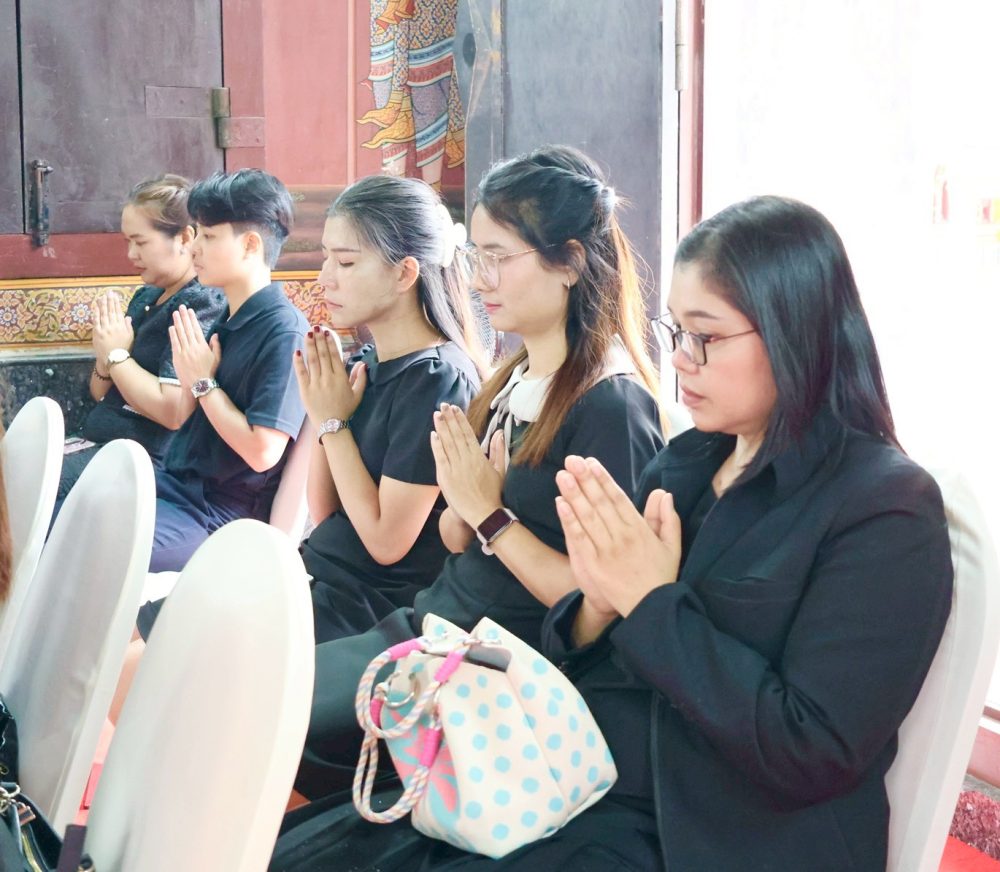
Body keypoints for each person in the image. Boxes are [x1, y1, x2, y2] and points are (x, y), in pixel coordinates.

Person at [541, 196, 954, 870]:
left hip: (723, 839)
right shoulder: (686, 461)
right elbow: (588, 649)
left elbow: (811, 750)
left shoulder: (886, 509)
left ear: (795, 331)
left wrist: (649, 602)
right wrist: (599, 604)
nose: (681, 360)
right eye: (675, 331)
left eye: (705, 336)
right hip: (593, 791)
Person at [282, 144, 666, 806]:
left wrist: (490, 515)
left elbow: (599, 604)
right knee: (261, 697)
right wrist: (467, 514)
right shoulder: (512, 380)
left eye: (498, 257)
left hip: (496, 670)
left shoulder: (610, 405)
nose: (480, 279)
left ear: (570, 262)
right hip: (434, 626)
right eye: (475, 256)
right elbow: (458, 541)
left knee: (269, 721)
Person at [296, 175, 486, 643]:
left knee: (163, 657)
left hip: (369, 607)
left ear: (404, 274)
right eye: (326, 257)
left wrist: (334, 424)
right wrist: (324, 415)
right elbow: (326, 512)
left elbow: (385, 543)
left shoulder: (437, 380)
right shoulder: (367, 362)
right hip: (321, 576)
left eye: (345, 262)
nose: (325, 277)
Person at [139, 168, 308, 587]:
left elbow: (263, 452)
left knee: (93, 546)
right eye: (196, 233)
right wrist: (193, 380)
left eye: (210, 236)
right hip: (174, 488)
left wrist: (202, 383)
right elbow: (188, 413)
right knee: (58, 518)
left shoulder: (283, 332)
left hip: (217, 516)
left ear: (250, 245)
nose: (194, 246)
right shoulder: (230, 314)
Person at [58, 175, 226, 500]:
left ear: (185, 237)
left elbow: (172, 412)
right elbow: (100, 391)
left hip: (144, 461)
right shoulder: (146, 296)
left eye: (141, 242)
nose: (131, 254)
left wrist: (117, 356)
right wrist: (107, 354)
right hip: (100, 442)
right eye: (128, 242)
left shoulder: (201, 303)